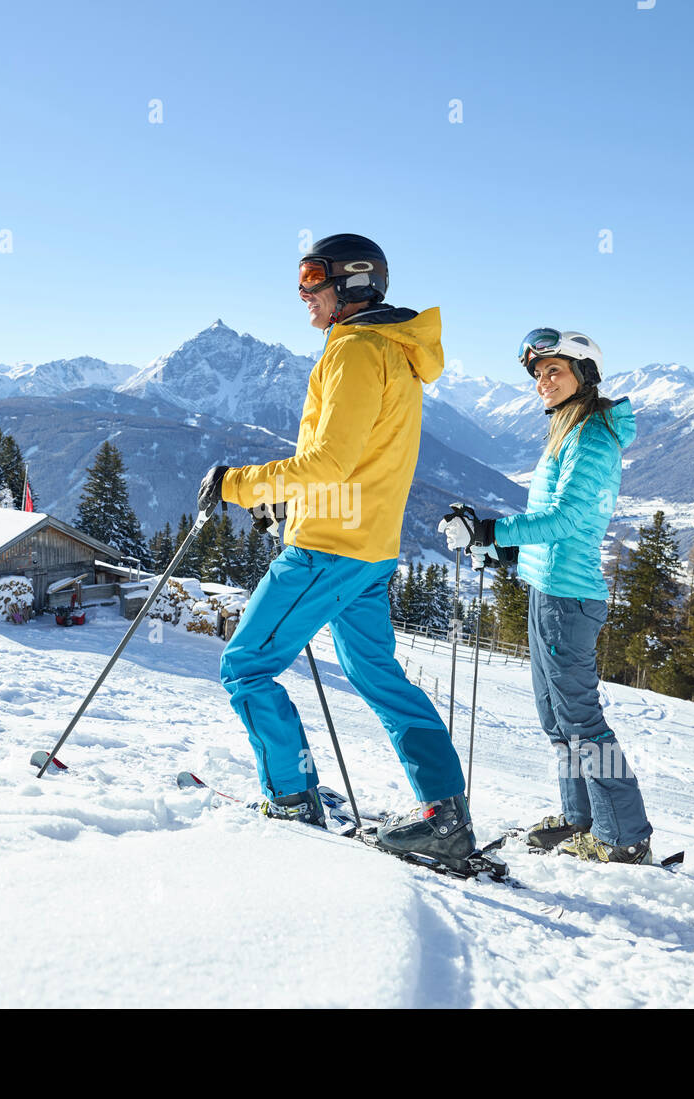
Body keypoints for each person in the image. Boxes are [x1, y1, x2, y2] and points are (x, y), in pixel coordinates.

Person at [196, 234, 476, 870]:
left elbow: (329, 461)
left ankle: (291, 799)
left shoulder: (352, 352)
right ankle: (447, 816)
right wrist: (293, 505)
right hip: (370, 548)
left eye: (312, 279)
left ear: (351, 283)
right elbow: (365, 465)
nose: (302, 294)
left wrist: (236, 484)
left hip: (326, 549)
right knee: (379, 677)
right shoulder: (397, 353)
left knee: (245, 668)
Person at [441, 328, 655, 864]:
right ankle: (581, 819)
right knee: (556, 718)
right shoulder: (569, 429)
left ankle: (623, 836)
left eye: (554, 371)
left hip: (569, 598)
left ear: (584, 375)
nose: (543, 382)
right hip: (547, 589)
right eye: (538, 374)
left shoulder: (592, 436)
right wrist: (507, 553)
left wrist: (491, 532)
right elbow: (553, 528)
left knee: (581, 719)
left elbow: (571, 518)